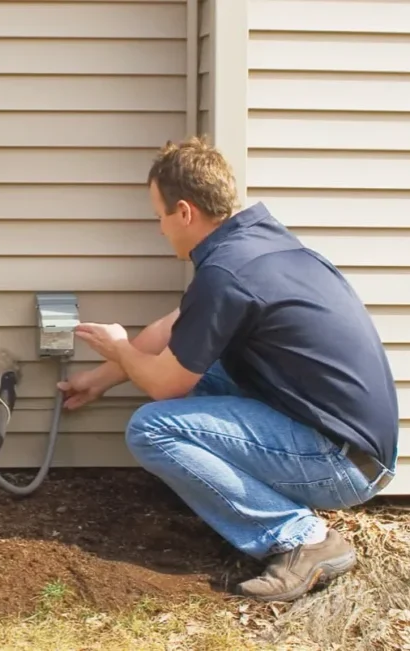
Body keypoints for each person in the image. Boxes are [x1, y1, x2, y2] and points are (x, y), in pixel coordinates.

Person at [59, 137, 398, 603]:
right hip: (348, 441)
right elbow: (178, 327)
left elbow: (163, 383)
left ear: (184, 212)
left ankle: (303, 538)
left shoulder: (225, 274)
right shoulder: (255, 245)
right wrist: (99, 379)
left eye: (158, 215)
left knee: (152, 429)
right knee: (204, 368)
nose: (159, 229)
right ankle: (234, 497)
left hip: (340, 462)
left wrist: (120, 348)